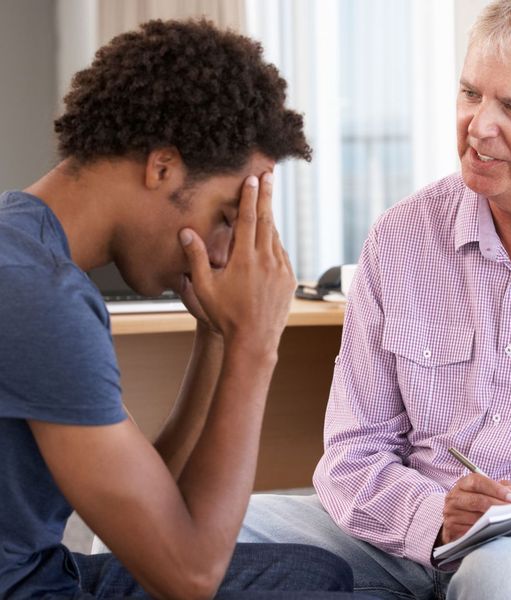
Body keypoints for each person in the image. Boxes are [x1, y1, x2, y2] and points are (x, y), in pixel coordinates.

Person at [0, 18, 375, 600]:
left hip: (35, 573)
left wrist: (218, 336)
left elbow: (154, 510)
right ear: (163, 167)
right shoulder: (40, 299)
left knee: (316, 574)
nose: (227, 251)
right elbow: (187, 574)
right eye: (227, 216)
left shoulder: (22, 246)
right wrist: (256, 342)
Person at [240, 0, 511, 598]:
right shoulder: (401, 237)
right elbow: (353, 452)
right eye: (470, 94)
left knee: (501, 575)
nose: (479, 125)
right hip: (411, 543)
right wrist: (436, 520)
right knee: (175, 532)